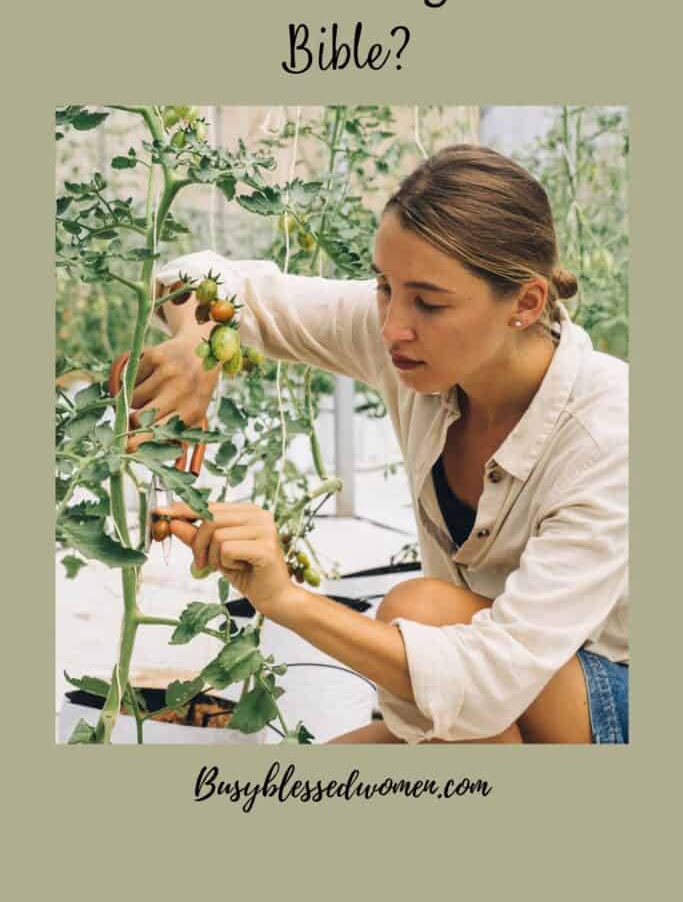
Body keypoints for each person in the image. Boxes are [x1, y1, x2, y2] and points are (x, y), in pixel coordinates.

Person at [132, 144, 628, 745]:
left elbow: (490, 679)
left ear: (526, 303)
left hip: (608, 705)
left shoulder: (610, 435)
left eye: (429, 301)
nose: (393, 324)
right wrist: (200, 342)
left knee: (422, 613)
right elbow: (205, 275)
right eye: (384, 286)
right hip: (480, 710)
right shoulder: (405, 337)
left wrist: (286, 599)